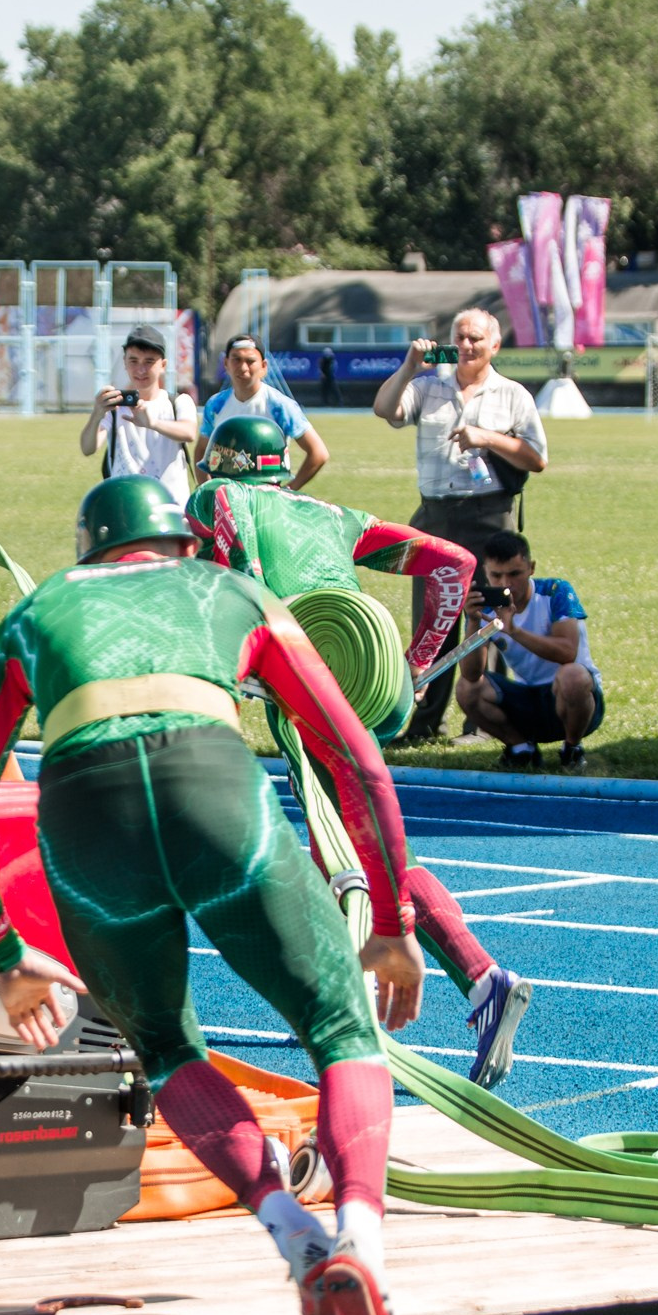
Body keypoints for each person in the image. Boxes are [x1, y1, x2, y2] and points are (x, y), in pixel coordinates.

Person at [0, 476, 434, 1315]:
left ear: (90, 550)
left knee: (165, 1048)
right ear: (184, 543)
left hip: (87, 824)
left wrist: (3, 953)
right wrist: (396, 925)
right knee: (339, 1028)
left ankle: (293, 1238)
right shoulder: (232, 589)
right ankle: (359, 1240)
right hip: (215, 791)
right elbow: (355, 758)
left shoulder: (38, 611)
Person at [187, 415, 532, 1085]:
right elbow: (455, 564)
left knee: (344, 846)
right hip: (371, 679)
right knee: (355, 837)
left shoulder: (219, 495)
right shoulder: (336, 515)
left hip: (306, 669)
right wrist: (417, 662)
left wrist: (242, 654)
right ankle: (385, 987)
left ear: (223, 463)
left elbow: (234, 555)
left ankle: (460, 979)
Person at [372, 308, 550, 743]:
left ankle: (484, 718)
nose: (467, 345)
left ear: (495, 345)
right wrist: (410, 366)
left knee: (490, 616)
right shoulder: (427, 386)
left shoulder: (513, 395)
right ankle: (426, 722)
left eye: (476, 338)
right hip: (435, 516)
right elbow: (384, 409)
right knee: (432, 619)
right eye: (460, 337)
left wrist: (487, 438)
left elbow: (537, 458)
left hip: (490, 515)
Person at [457, 530, 604, 773]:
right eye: (496, 575)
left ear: (531, 568)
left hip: (576, 699)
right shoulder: (486, 608)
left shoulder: (555, 591)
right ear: (486, 572)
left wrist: (514, 631)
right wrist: (473, 623)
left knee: (573, 676)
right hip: (529, 697)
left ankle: (572, 748)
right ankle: (521, 749)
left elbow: (567, 653)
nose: (505, 584)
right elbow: (471, 674)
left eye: (514, 574)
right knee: (465, 688)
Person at [79, 324, 199, 499]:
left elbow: (189, 433)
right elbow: (88, 448)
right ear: (125, 363)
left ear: (163, 365)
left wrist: (153, 423)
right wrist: (97, 414)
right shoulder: (114, 407)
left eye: (149, 362)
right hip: (125, 504)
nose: (141, 370)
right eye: (133, 361)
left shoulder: (178, 402)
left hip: (171, 505)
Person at [198, 335, 329, 488]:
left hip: (264, 496)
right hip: (226, 496)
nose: (243, 367)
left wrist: (288, 491)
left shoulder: (280, 405)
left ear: (264, 366)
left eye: (250, 361)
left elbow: (318, 453)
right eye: (236, 359)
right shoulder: (215, 404)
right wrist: (208, 489)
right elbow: (201, 450)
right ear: (226, 363)